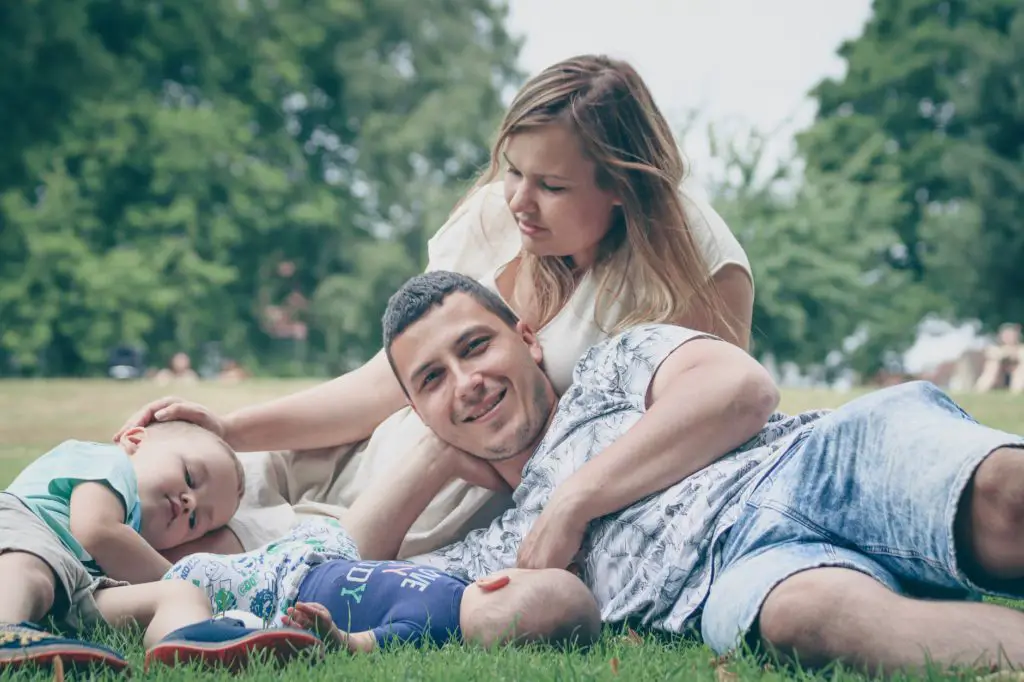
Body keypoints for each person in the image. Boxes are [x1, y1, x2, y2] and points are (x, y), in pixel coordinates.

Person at [113, 54, 755, 560]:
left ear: (622, 183)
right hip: (367, 452)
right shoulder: (491, 222)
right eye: (513, 171)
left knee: (206, 551)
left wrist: (570, 504)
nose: (519, 203)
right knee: (146, 491)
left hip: (445, 501)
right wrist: (231, 430)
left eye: (551, 186)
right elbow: (386, 381)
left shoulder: (690, 268)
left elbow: (697, 432)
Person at [377, 271, 1024, 675]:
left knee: (1006, 503)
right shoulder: (493, 549)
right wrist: (433, 453)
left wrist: (573, 501)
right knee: (802, 616)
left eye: (475, 347)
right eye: (432, 381)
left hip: (811, 463)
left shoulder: (611, 368)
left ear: (527, 338)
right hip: (738, 579)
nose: (468, 383)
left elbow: (740, 389)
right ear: (417, 411)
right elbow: (345, 561)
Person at [0, 421, 320, 672]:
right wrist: (179, 573)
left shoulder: (129, 530)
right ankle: (5, 628)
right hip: (23, 531)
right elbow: (96, 531)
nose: (189, 501)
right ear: (135, 441)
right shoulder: (108, 461)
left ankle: (189, 647)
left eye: (195, 520)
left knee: (180, 593)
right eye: (190, 477)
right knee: (31, 570)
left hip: (75, 586)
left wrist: (186, 585)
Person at [163, 517, 601, 655]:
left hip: (283, 588)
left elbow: (361, 645)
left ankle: (193, 622)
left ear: (499, 580)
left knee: (197, 572)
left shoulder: (429, 631)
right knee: (331, 530)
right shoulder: (456, 587)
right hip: (318, 558)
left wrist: (330, 634)